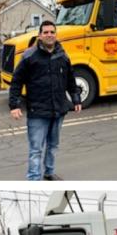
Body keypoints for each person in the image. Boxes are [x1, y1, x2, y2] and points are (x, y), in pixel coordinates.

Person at [9, 20, 82, 180]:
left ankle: (49, 172)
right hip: (38, 112)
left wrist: (76, 99)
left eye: (52, 32)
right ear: (40, 36)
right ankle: (34, 178)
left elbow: (70, 79)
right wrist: (14, 105)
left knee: (53, 146)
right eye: (46, 32)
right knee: (36, 149)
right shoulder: (30, 56)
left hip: (58, 110)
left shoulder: (63, 55)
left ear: (56, 35)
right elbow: (17, 81)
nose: (49, 35)